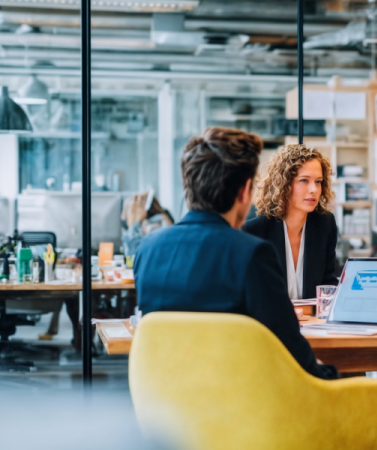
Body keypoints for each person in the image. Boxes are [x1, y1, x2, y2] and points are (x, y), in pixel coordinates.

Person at [134, 127, 336, 380]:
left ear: (188, 185)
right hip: (234, 401)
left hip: (161, 399)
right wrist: (333, 378)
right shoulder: (250, 253)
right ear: (245, 191)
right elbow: (291, 351)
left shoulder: (147, 249)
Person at [242, 144, 338, 300]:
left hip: (314, 322)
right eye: (304, 180)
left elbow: (328, 285)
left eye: (318, 181)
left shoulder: (325, 224)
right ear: (283, 184)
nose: (313, 189)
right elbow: (252, 295)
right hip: (272, 322)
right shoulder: (254, 231)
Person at [121, 192, 174, 256]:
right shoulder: (161, 221)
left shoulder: (157, 226)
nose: (123, 217)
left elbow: (137, 257)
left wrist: (134, 225)